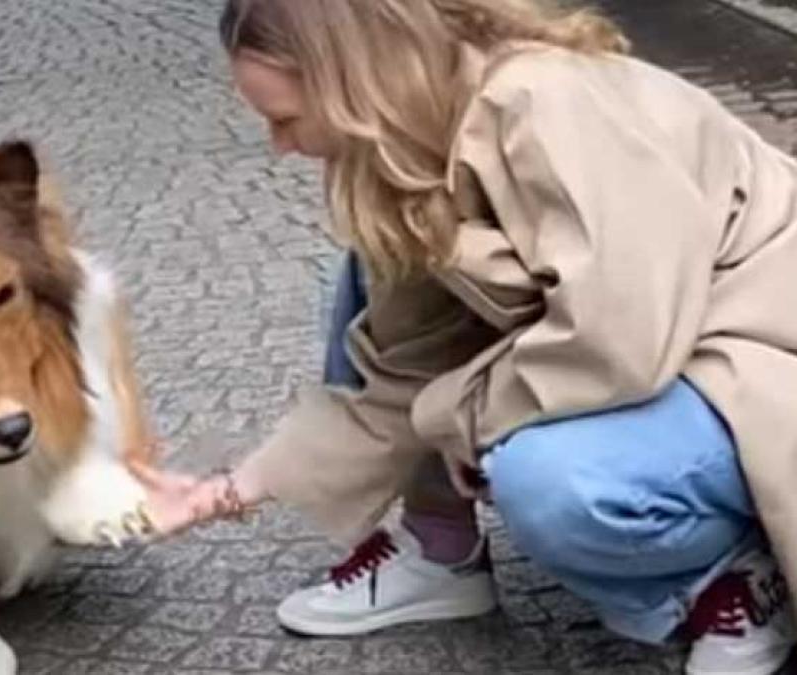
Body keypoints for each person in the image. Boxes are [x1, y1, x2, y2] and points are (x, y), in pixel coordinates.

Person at [131, 1, 797, 673]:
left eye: (284, 118)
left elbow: (620, 341)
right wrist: (225, 491)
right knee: (374, 274)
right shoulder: (412, 149)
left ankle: (730, 581)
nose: (279, 145)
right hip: (664, 349)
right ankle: (438, 551)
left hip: (758, 349)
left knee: (552, 476)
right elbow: (399, 366)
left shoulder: (544, 102)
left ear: (350, 80)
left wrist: (460, 412)